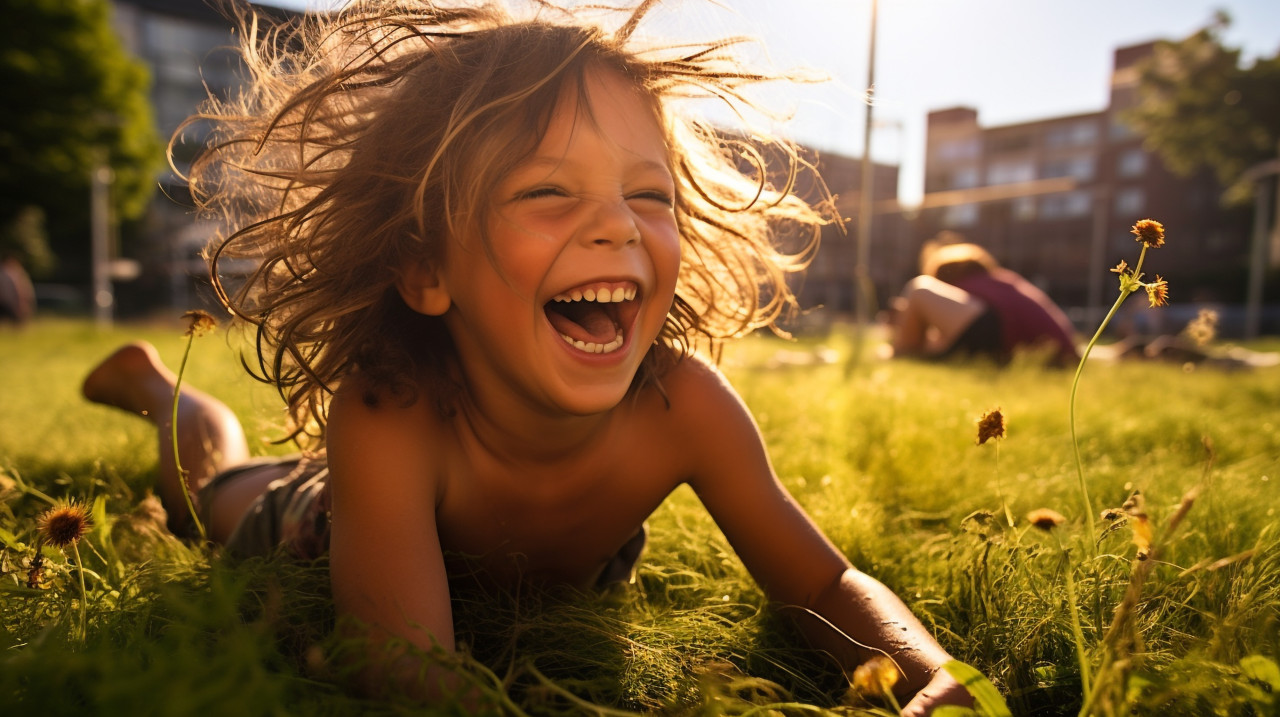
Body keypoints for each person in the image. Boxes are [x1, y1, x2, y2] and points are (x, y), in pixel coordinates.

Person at [84, 1, 972, 713]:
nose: (619, 224)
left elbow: (824, 580)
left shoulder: (685, 407)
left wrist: (924, 668)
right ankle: (162, 394)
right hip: (310, 519)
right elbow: (401, 666)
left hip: (380, 488)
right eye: (548, 189)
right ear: (427, 269)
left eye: (646, 193)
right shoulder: (388, 415)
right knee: (209, 488)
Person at [884, 235, 1080, 365]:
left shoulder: (969, 284)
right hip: (1046, 354)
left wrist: (908, 323)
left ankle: (898, 353)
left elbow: (964, 329)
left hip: (1012, 343)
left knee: (919, 288)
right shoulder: (1000, 283)